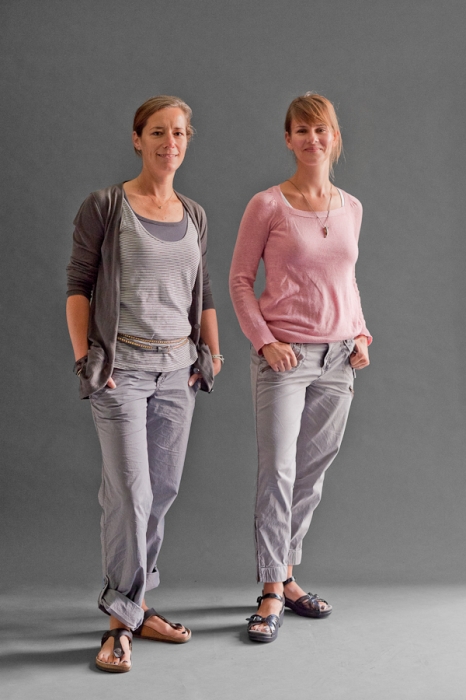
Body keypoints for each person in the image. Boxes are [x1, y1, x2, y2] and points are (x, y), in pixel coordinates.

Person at [66, 95, 222, 672]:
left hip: (178, 372)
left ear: (187, 141)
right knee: (129, 495)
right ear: (137, 139)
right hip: (122, 372)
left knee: (161, 492)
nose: (169, 143)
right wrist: (87, 360)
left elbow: (202, 290)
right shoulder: (106, 207)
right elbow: (79, 286)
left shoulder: (194, 214)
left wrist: (212, 353)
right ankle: (119, 624)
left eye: (179, 133)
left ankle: (135, 606)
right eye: (157, 132)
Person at [229, 93, 371, 643]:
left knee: (310, 475)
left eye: (322, 129)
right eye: (303, 130)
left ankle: (287, 576)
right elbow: (240, 281)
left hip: (339, 358)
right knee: (279, 472)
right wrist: (264, 342)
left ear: (335, 137)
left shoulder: (351, 207)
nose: (314, 139)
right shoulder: (268, 204)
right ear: (288, 139)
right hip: (285, 358)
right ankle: (270, 590)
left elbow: (346, 281)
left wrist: (361, 332)